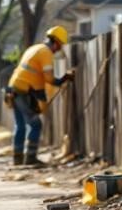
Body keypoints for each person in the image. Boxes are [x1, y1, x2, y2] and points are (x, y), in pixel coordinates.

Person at [5, 26, 74, 166]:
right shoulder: (46, 53)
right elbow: (49, 79)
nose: (59, 50)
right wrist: (64, 78)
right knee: (36, 124)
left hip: (13, 88)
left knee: (20, 125)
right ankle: (30, 158)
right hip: (23, 91)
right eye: (60, 46)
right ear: (56, 42)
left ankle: (17, 159)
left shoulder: (34, 48)